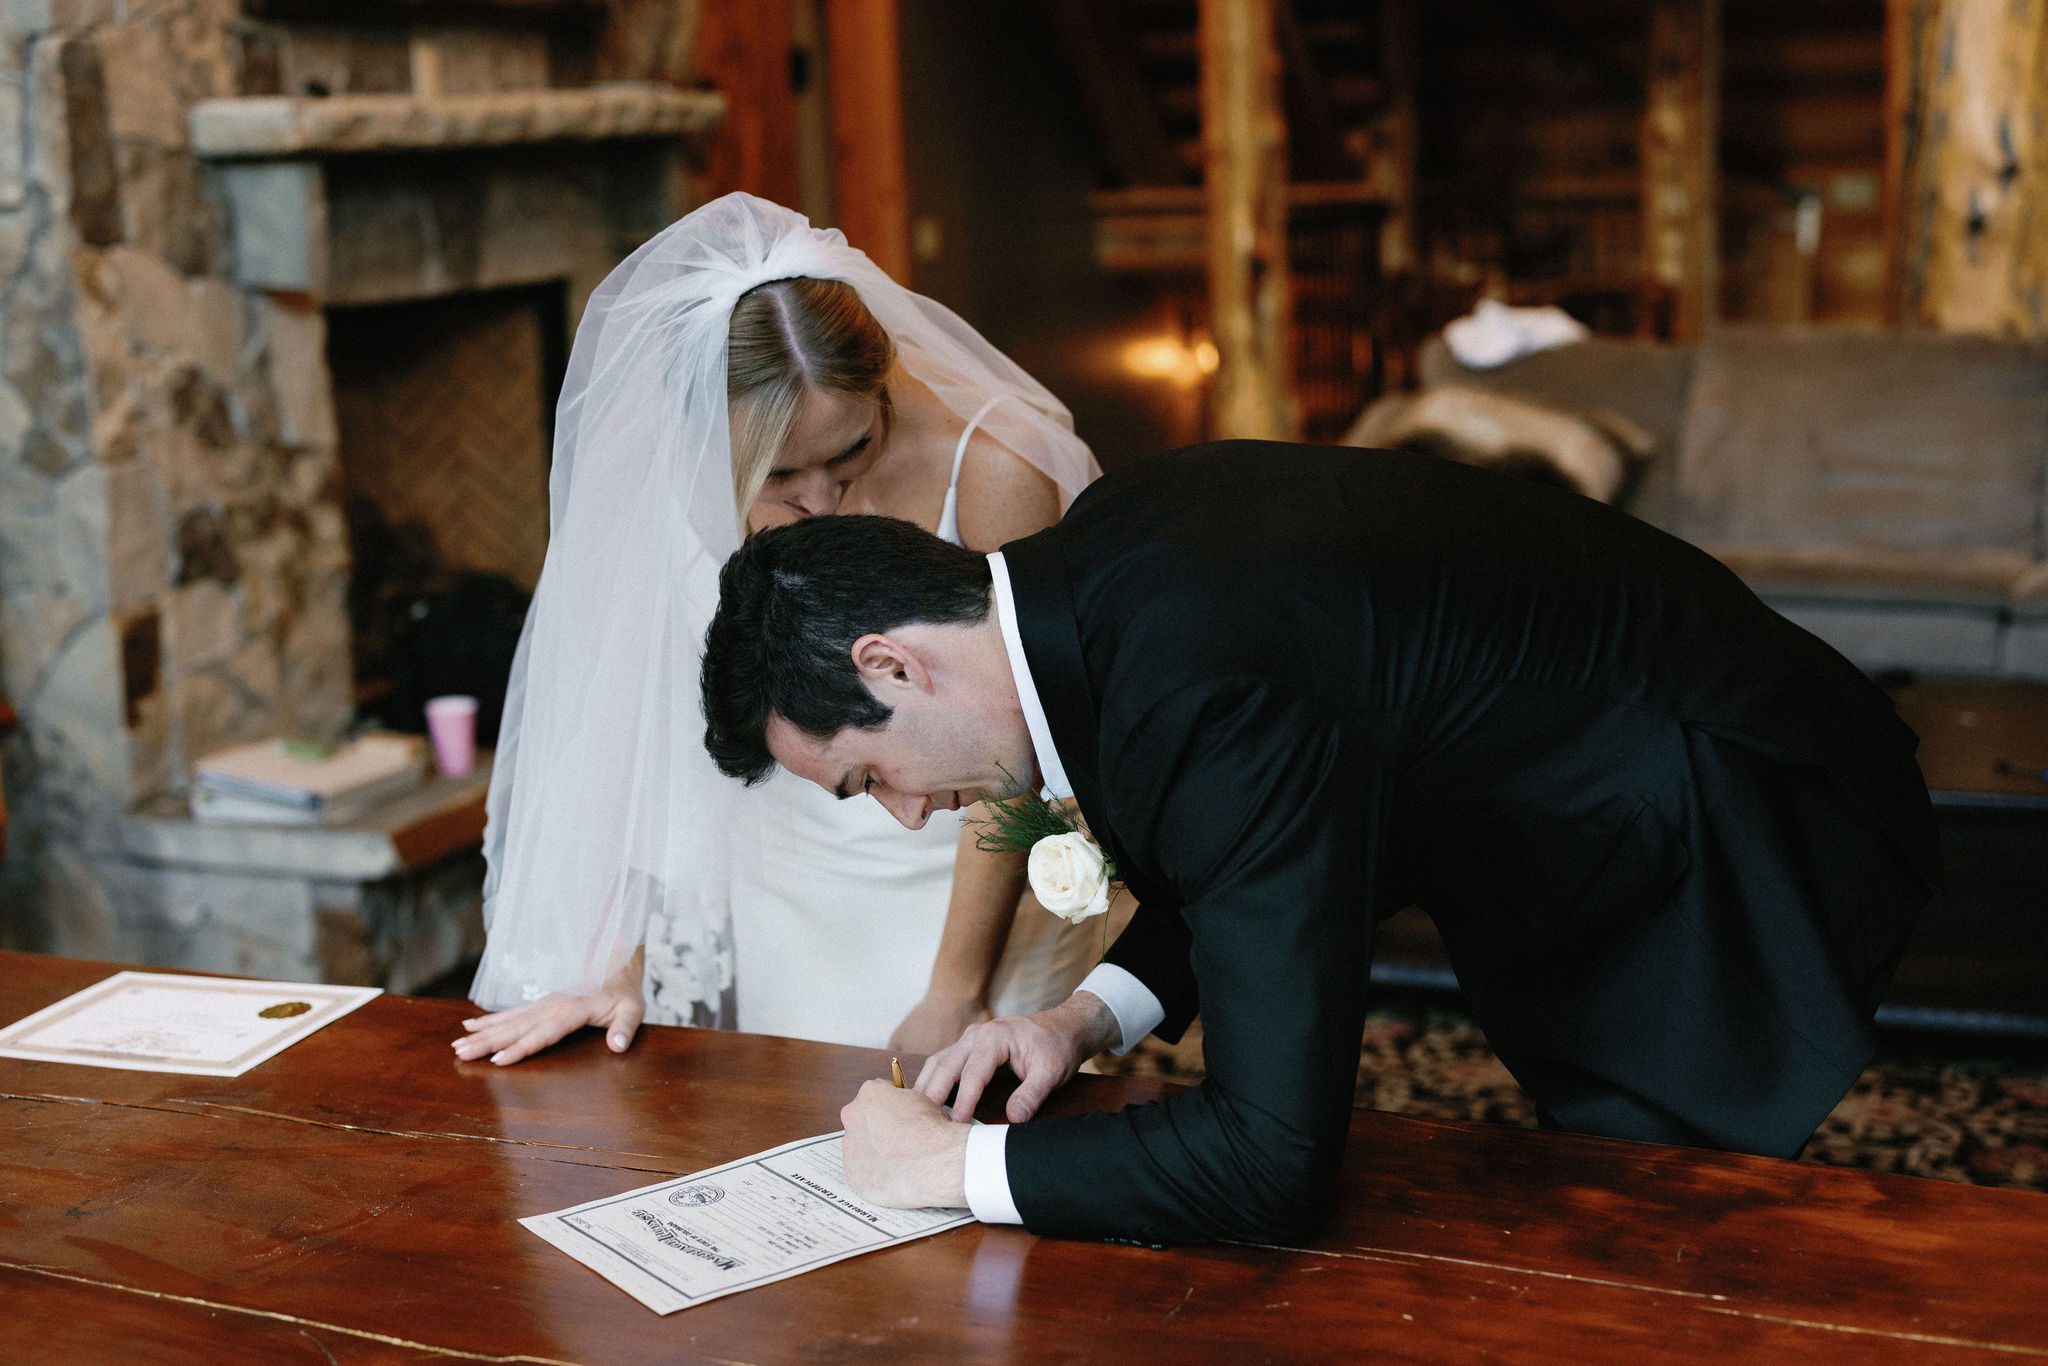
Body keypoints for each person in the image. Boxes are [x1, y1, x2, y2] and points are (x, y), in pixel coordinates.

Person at [698, 442, 1942, 1246]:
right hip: (1613, 775)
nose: (910, 813)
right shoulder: (1112, 561)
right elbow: (1258, 848)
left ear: (891, 662)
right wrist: (1078, 1021)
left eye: (869, 777)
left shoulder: (1193, 685)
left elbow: (1269, 1161)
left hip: (1723, 803)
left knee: (1685, 1226)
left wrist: (953, 1168)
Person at [454, 193, 1102, 1065]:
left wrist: (954, 987)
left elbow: (1012, 738)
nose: (822, 501)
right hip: (788, 876)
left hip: (968, 874)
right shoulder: (683, 476)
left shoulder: (996, 469)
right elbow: (649, 740)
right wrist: (617, 961)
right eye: (780, 473)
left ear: (883, 384)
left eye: (849, 452)